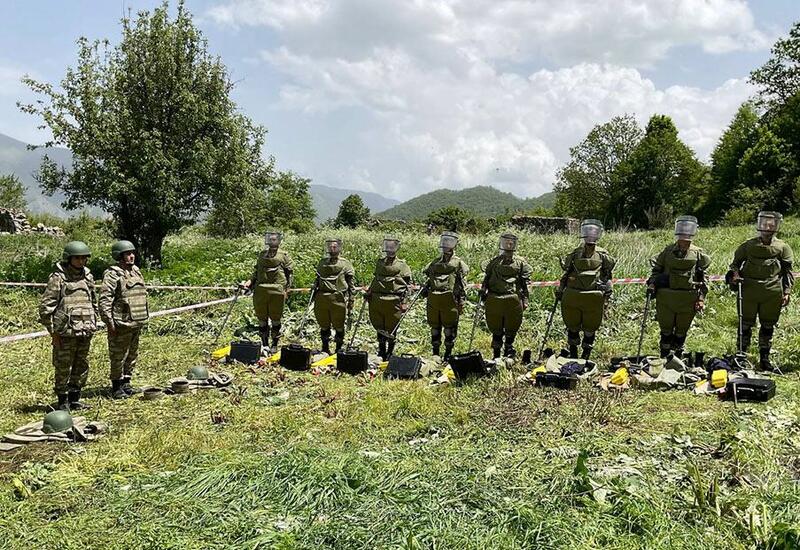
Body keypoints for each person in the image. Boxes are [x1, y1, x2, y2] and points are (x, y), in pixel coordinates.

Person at [726, 211, 794, 371]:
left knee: (768, 326)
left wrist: (787, 292)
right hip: (748, 291)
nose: (767, 228)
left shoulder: (783, 247)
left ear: (776, 226)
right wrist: (735, 275)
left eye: (771, 225)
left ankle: (764, 359)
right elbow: (735, 264)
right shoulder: (748, 246)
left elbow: (787, 272)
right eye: (765, 224)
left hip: (772, 292)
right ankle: (741, 357)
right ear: (760, 225)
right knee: (745, 325)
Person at [38, 241, 98, 410]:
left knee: (81, 365)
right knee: (63, 366)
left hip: (85, 330)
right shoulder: (58, 278)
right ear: (69, 259)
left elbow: (93, 302)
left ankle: (75, 398)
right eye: (77, 258)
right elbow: (46, 307)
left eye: (83, 258)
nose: (81, 261)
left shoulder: (88, 277)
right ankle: (62, 400)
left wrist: (93, 321)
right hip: (65, 333)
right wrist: (53, 333)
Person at [647, 216, 711, 358]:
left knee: (681, 331)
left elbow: (704, 278)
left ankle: (677, 357)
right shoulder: (667, 251)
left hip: (688, 299)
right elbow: (656, 271)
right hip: (666, 298)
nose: (684, 234)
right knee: (666, 331)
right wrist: (652, 284)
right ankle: (664, 357)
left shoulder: (698, 254)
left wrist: (701, 298)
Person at [557, 220, 616, 360]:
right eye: (588, 232)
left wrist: (608, 293)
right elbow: (566, 273)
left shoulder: (603, 255)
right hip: (573, 296)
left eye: (593, 232)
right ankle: (573, 352)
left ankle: (586, 354)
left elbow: (608, 274)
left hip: (593, 298)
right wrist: (560, 289)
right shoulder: (575, 254)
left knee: (591, 326)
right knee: (572, 325)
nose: (590, 236)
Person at [99, 240, 149, 399]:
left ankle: (127, 382)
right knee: (118, 356)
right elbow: (105, 300)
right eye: (127, 254)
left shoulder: (136, 271)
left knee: (132, 354)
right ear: (119, 256)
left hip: (136, 321)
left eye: (132, 253)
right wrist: (109, 322)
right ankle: (117, 386)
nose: (131, 256)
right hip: (121, 324)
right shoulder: (112, 274)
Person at [481, 233, 532, 359]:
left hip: (513, 300)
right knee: (496, 329)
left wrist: (526, 299)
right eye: (506, 242)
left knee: (511, 328)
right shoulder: (494, 262)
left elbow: (526, 282)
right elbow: (486, 279)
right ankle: (496, 355)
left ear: (514, 244)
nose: (509, 245)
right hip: (495, 299)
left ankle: (508, 352)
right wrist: (483, 292)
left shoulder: (521, 263)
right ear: (502, 244)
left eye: (511, 242)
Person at [241, 229, 293, 352]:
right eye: (270, 239)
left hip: (277, 291)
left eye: (274, 239)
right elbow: (256, 272)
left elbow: (290, 274)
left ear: (279, 241)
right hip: (260, 291)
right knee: (261, 319)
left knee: (276, 319)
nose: (272, 241)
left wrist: (287, 290)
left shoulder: (284, 256)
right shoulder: (262, 254)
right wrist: (249, 282)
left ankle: (274, 344)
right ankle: (264, 344)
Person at [422, 232, 469, 360]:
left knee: (449, 328)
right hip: (434, 300)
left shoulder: (458, 263)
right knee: (434, 327)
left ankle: (448, 354)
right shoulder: (435, 262)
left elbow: (462, 284)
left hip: (451, 300)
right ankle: (435, 353)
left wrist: (462, 301)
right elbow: (428, 277)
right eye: (445, 242)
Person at [366, 236, 413, 360]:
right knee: (379, 326)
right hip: (377, 299)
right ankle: (381, 351)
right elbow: (375, 279)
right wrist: (369, 292)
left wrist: (405, 302)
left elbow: (407, 286)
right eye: (388, 246)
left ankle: (390, 353)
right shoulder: (380, 263)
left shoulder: (402, 265)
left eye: (392, 247)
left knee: (392, 327)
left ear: (396, 248)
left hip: (394, 300)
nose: (389, 249)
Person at [313, 237, 356, 354]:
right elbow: (317, 279)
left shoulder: (345, 264)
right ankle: (325, 347)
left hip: (338, 298)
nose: (332, 248)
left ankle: (338, 348)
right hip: (322, 297)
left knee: (339, 325)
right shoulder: (322, 263)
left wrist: (351, 300)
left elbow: (351, 284)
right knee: (323, 324)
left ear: (339, 248)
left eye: (335, 246)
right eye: (330, 246)